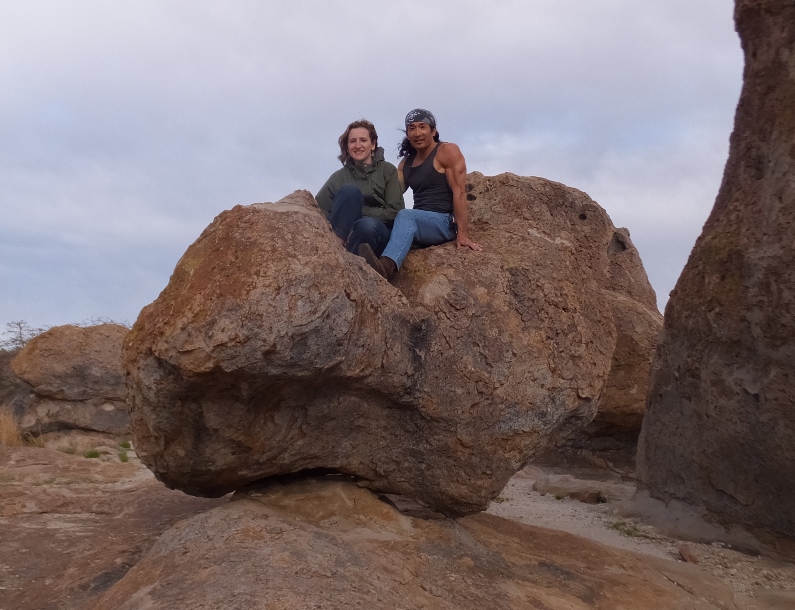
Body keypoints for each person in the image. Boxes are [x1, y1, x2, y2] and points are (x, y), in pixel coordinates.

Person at [359, 109, 482, 280]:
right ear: (407, 134)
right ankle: (361, 261)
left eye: (422, 127)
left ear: (433, 131)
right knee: (381, 222)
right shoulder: (406, 163)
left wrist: (463, 234)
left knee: (406, 216)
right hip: (420, 225)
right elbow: (389, 193)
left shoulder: (447, 151)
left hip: (444, 222)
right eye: (412, 128)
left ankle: (385, 269)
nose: (417, 133)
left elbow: (459, 192)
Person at [316, 120, 404, 258]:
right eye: (352, 141)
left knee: (366, 226)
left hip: (378, 231)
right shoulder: (339, 176)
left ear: (373, 144)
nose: (358, 145)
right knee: (350, 191)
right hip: (343, 233)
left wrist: (355, 214)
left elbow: (394, 211)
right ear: (347, 146)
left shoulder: (388, 170)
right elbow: (320, 207)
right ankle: (337, 250)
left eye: (363, 140)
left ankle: (357, 263)